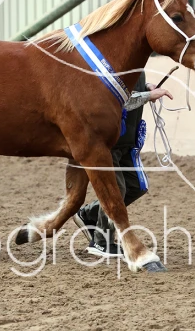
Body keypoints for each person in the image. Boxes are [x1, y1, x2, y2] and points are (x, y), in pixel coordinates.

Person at [72, 70, 173, 258]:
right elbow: (115, 99)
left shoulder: (135, 64)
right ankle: (101, 242)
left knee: (136, 186)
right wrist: (148, 95)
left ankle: (89, 214)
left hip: (127, 140)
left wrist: (145, 86)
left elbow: (127, 85)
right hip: (109, 142)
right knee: (116, 190)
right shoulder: (106, 62)